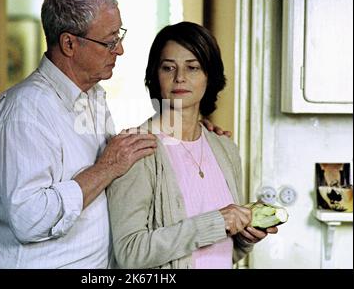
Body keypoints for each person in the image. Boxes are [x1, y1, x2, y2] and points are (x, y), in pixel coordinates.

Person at [0, 0, 225, 269]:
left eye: (119, 36)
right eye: (109, 41)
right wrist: (106, 168)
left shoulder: (90, 96)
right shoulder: (23, 112)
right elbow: (29, 218)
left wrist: (194, 133)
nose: (119, 50)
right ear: (69, 43)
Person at [107, 22, 278, 269]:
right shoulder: (136, 149)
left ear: (210, 76)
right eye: (168, 68)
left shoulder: (225, 148)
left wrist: (244, 238)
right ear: (155, 75)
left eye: (193, 68)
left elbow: (221, 252)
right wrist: (216, 223)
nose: (180, 78)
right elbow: (130, 253)